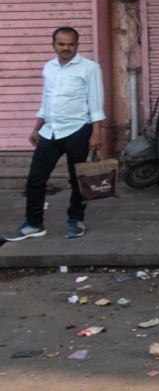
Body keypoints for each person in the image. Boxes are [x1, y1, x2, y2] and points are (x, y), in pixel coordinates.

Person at [4, 27, 106, 242]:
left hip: (78, 129)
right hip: (50, 131)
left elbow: (96, 103)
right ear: (54, 45)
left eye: (70, 44)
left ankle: (75, 220)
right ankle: (34, 224)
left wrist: (96, 133)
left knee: (76, 179)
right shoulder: (48, 67)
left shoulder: (90, 68)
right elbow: (46, 100)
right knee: (35, 179)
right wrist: (36, 127)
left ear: (77, 45)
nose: (66, 48)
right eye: (61, 44)